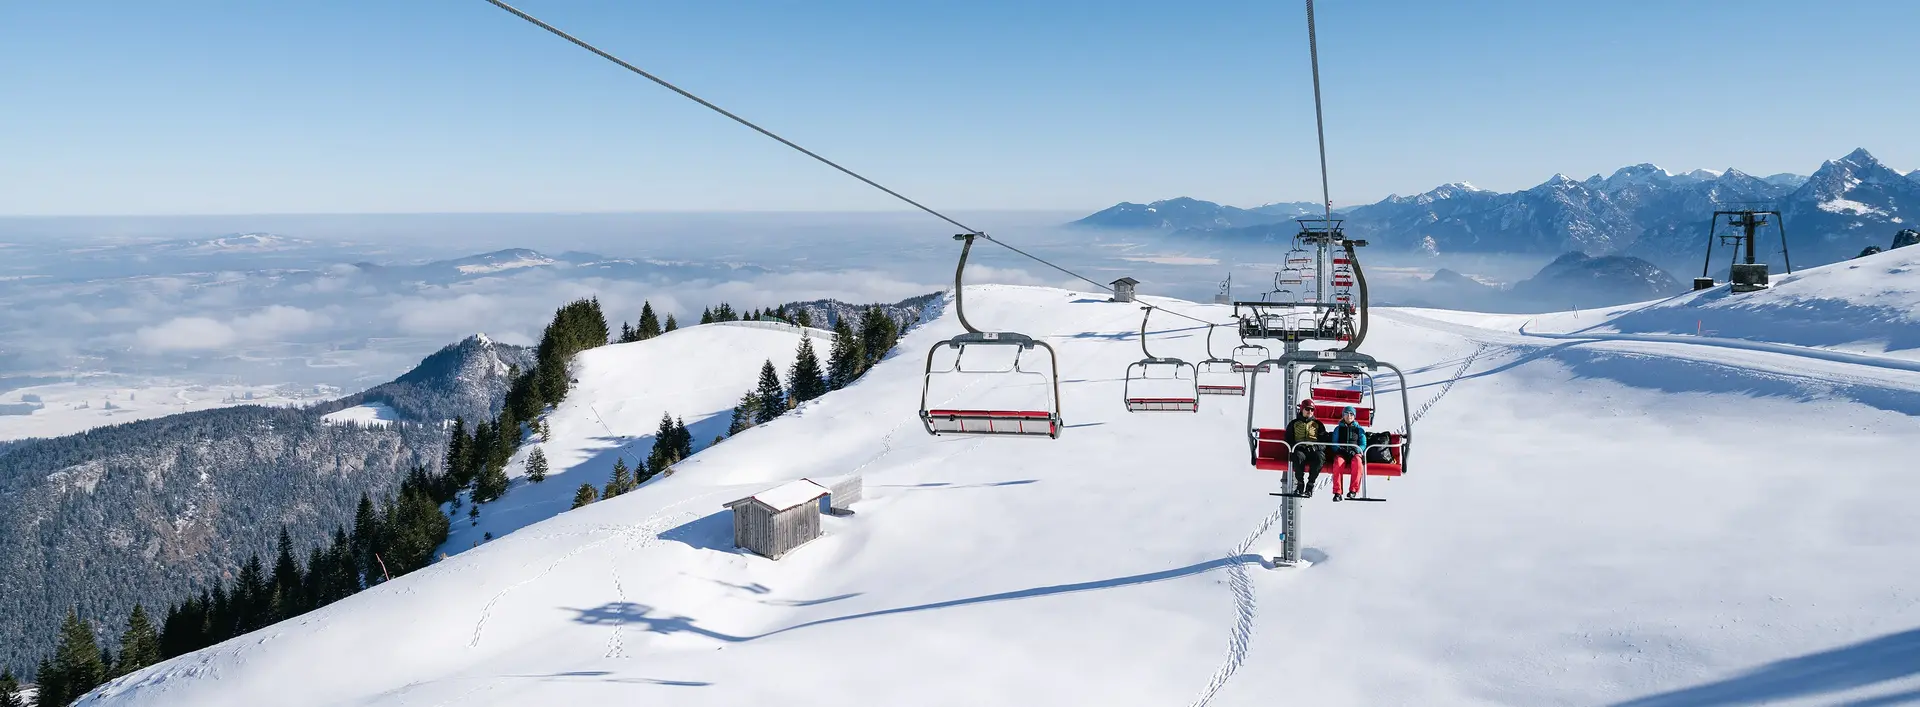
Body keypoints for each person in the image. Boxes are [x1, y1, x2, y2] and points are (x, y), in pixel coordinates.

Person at [1283, 400, 1326, 496]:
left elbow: (1324, 441)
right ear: (1302, 409)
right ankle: (1300, 484)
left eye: (1312, 410)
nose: (1310, 412)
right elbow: (1288, 439)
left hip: (1313, 450)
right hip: (1300, 449)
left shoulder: (1318, 424)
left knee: (1320, 457)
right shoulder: (1294, 423)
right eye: (1307, 409)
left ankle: (1310, 484)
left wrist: (1316, 447)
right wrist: (1295, 446)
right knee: (1297, 456)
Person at [1326, 406, 1367, 501]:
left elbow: (1363, 444)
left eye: (1351, 414)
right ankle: (1337, 492)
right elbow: (1334, 443)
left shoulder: (1359, 430)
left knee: (1358, 463)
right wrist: (1341, 450)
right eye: (1347, 413)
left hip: (1355, 453)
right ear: (1343, 415)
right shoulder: (1338, 429)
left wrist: (1356, 450)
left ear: (1354, 416)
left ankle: (1353, 490)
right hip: (1342, 453)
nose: (1349, 416)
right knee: (1338, 463)